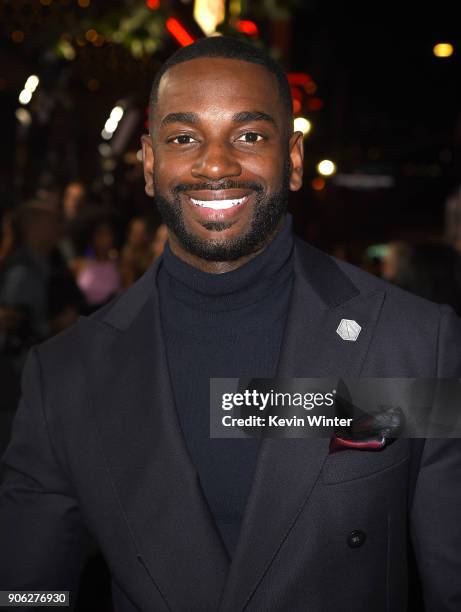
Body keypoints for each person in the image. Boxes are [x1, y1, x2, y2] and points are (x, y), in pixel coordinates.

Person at [1, 36, 460, 612]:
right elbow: (28, 590)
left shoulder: (414, 344)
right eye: (184, 138)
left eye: (249, 135)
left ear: (291, 159)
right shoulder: (65, 375)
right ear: (149, 164)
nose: (215, 164)